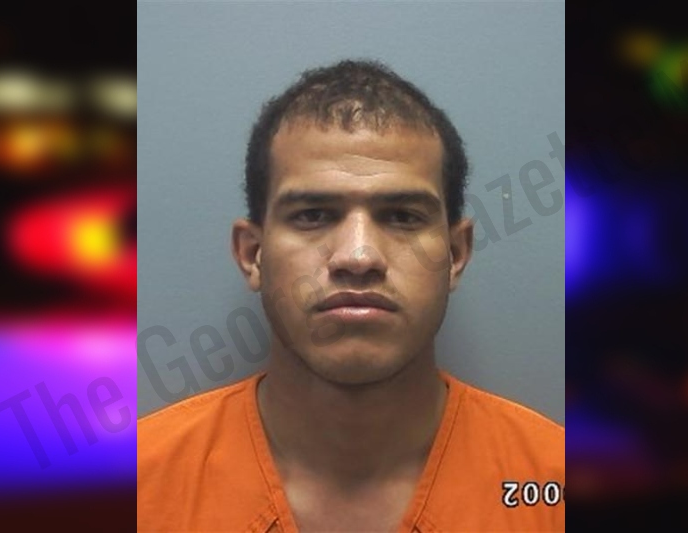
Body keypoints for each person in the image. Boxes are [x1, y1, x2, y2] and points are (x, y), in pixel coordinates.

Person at [137, 59, 564, 532]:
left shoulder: (553, 483)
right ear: (252, 254)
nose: (358, 257)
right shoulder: (136, 486)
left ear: (456, 254)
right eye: (313, 215)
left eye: (402, 217)